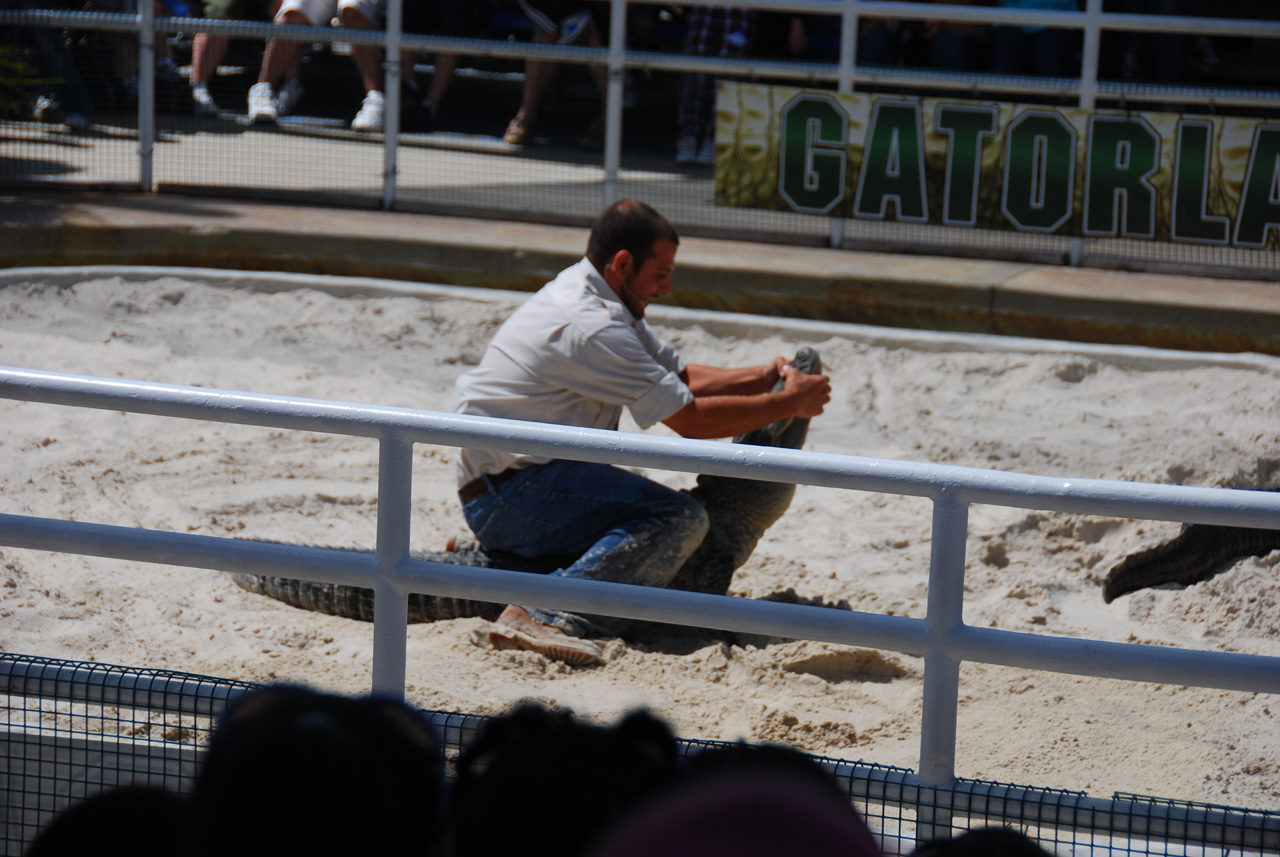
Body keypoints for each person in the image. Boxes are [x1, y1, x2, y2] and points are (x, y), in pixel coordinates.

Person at [451, 199, 831, 665]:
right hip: (511, 497)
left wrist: (764, 375)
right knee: (680, 520)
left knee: (662, 516)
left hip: (526, 478)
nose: (667, 287)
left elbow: (682, 376)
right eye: (662, 272)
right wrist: (791, 402)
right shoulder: (592, 326)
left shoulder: (603, 296)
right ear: (624, 263)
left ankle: (503, 552)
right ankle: (547, 614)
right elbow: (690, 421)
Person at [502, 0, 607, 148]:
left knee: (597, 41)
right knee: (547, 37)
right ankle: (525, 117)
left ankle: (608, 123)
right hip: (551, 9)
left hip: (595, 7)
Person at [676, 7, 757, 166]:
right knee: (696, 65)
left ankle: (715, 139)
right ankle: (689, 136)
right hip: (705, 8)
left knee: (730, 68)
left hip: (740, 8)